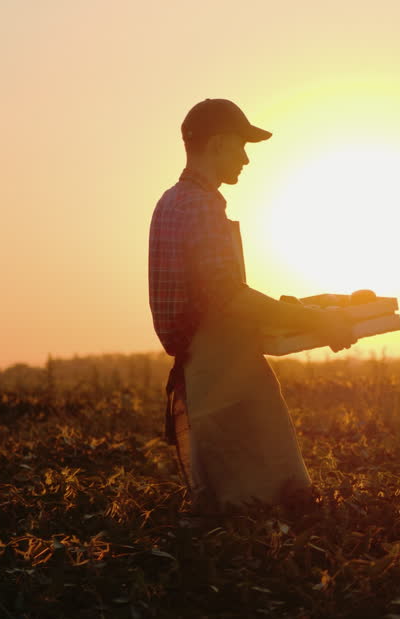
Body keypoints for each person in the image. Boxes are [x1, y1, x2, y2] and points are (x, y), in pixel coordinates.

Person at [148, 98, 357, 511]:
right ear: (220, 144)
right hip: (226, 374)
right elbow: (226, 296)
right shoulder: (203, 204)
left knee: (224, 507)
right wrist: (315, 318)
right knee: (269, 503)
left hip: (201, 367)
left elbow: (208, 296)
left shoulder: (169, 202)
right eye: (242, 146)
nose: (246, 158)